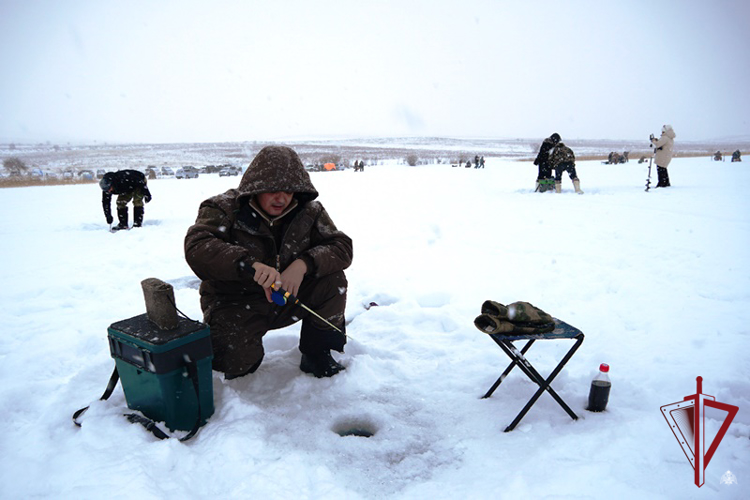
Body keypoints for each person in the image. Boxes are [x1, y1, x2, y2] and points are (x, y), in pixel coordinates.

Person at [184, 145, 353, 380]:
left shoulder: (310, 211)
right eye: (272, 189)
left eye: (289, 190)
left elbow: (341, 247)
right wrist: (246, 265)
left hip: (286, 295)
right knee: (235, 365)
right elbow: (198, 247)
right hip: (235, 301)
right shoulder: (223, 208)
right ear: (256, 187)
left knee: (333, 281)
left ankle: (317, 353)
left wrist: (303, 265)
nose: (281, 198)